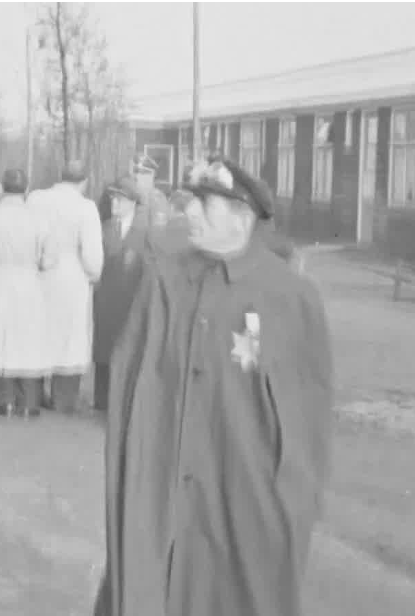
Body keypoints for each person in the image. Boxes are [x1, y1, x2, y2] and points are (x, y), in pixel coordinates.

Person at [93, 157, 334, 616]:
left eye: (205, 204)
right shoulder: (164, 283)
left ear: (242, 218)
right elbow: (130, 383)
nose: (190, 211)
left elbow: (307, 422)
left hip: (241, 503)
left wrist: (288, 509)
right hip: (164, 496)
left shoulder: (290, 299)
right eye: (192, 201)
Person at [0, 169, 56, 419]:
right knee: (28, 340)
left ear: (0, 189)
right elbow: (50, 259)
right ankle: (28, 402)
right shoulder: (40, 219)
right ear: (26, 190)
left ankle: (2, 400)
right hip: (28, 283)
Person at [27, 160, 104, 414]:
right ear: (84, 182)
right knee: (69, 338)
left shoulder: (36, 199)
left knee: (39, 333)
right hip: (71, 276)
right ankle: (63, 399)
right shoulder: (86, 208)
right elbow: (92, 256)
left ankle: (32, 393)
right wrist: (93, 274)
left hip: (38, 273)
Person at [92, 176, 153, 413]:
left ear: (133, 203)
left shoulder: (146, 233)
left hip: (130, 299)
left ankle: (125, 401)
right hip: (105, 300)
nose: (115, 204)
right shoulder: (104, 228)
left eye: (120, 200)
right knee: (103, 350)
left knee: (128, 349)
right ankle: (101, 401)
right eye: (113, 199)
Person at [131, 153, 170, 226]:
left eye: (142, 158)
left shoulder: (147, 169)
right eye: (141, 158)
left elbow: (156, 167)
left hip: (147, 192)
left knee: (149, 210)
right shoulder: (137, 168)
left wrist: (148, 159)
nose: (142, 159)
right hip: (143, 193)